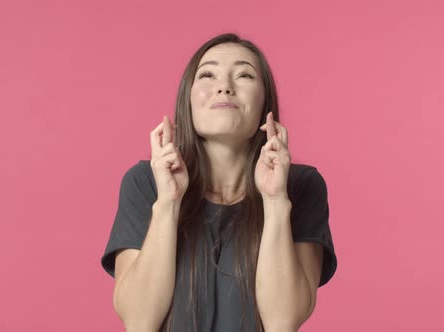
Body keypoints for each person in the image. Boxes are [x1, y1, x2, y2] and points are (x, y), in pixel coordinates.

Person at [100, 33, 337, 332]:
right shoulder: (145, 182)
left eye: (244, 75)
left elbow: (283, 321)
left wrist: (276, 201)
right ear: (188, 100)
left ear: (266, 103)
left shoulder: (302, 186)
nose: (224, 87)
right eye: (208, 74)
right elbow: (138, 320)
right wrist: (168, 204)